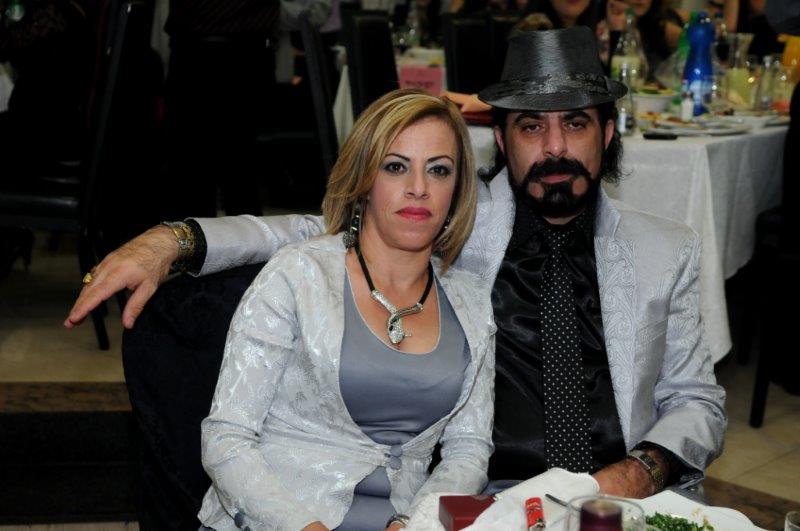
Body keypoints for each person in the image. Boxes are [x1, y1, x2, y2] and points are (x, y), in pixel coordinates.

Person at [68, 27, 726, 500]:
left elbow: (697, 400)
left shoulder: (665, 249)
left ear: (607, 133)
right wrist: (175, 239)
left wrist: (635, 473)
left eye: (575, 123)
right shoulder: (449, 218)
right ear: (502, 139)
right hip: (486, 500)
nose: (554, 148)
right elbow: (315, 228)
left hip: (623, 498)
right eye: (531, 126)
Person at [196, 89, 495, 531]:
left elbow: (468, 449)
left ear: (458, 188)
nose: (419, 188)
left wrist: (418, 521)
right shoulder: (298, 275)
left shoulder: (471, 299)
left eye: (439, 170)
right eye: (395, 167)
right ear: (364, 179)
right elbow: (226, 438)